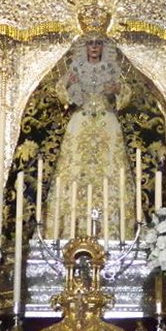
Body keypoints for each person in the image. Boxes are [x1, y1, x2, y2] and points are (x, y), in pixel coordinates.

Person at [48, 35, 135, 240]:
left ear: (104, 47)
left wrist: (118, 90)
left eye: (98, 43)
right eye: (90, 43)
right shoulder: (76, 68)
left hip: (107, 123)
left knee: (111, 168)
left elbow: (126, 94)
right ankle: (71, 228)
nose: (94, 47)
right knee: (75, 168)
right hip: (81, 121)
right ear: (84, 47)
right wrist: (67, 85)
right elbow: (60, 91)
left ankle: (113, 231)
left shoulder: (111, 68)